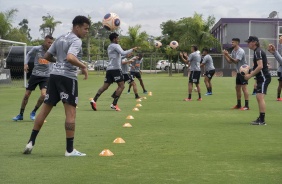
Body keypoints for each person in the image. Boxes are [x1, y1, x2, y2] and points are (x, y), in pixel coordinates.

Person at [23, 15, 90, 156]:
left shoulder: (59, 38)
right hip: (67, 78)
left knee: (44, 110)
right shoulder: (76, 40)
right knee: (71, 113)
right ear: (77, 27)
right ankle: (70, 150)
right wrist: (83, 66)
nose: (86, 32)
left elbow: (46, 56)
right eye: (85, 29)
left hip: (53, 76)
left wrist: (58, 62)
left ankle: (30, 142)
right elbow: (71, 58)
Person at [90, 33, 138, 111]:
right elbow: (122, 52)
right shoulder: (116, 46)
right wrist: (132, 49)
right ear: (114, 39)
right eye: (117, 38)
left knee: (105, 86)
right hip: (116, 69)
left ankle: (94, 100)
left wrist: (126, 56)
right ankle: (114, 104)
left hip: (109, 69)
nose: (118, 40)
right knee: (122, 86)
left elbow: (118, 56)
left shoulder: (110, 46)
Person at [12, 35, 54, 121]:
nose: (50, 44)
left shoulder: (52, 51)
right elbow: (28, 54)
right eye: (48, 42)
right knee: (27, 95)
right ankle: (21, 114)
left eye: (51, 43)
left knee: (43, 95)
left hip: (46, 76)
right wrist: (25, 64)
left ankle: (34, 112)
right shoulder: (36, 48)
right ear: (44, 41)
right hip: (35, 75)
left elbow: (56, 59)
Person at [244, 36, 271, 125]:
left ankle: (262, 120)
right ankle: (261, 118)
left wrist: (250, 76)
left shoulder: (258, 52)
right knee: (258, 97)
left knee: (260, 97)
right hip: (261, 78)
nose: (248, 43)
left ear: (254, 42)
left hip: (264, 77)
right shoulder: (257, 51)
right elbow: (257, 66)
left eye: (249, 42)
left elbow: (260, 66)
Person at [223, 38, 249, 110]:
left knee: (244, 88)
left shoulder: (240, 51)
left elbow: (236, 61)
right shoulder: (234, 51)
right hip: (238, 72)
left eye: (233, 42)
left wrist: (227, 55)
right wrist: (225, 55)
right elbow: (230, 61)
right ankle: (239, 105)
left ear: (237, 43)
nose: (232, 43)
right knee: (237, 88)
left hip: (244, 71)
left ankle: (247, 106)